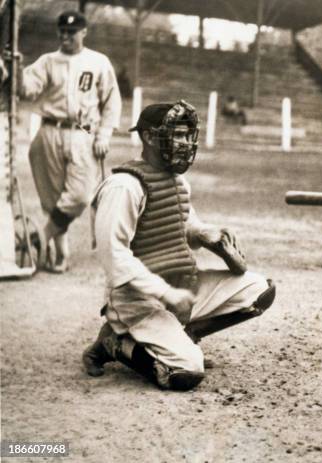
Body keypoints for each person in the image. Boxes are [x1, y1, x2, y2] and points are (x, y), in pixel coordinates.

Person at [81, 100, 275, 391]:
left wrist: (206, 235)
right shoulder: (124, 186)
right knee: (186, 372)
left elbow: (183, 227)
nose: (185, 143)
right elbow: (113, 255)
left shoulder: (178, 182)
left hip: (179, 290)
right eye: (178, 135)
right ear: (149, 137)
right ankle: (115, 344)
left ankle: (182, 337)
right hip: (137, 300)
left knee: (259, 291)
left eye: (187, 135)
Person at [0, 10, 121, 272]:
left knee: (79, 196)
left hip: (83, 133)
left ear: (83, 32)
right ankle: (60, 253)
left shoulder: (99, 62)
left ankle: (41, 237)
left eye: (72, 32)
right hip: (49, 131)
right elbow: (26, 90)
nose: (66, 36)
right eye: (62, 32)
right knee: (52, 200)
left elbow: (112, 102)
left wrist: (104, 135)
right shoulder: (48, 61)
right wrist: (15, 68)